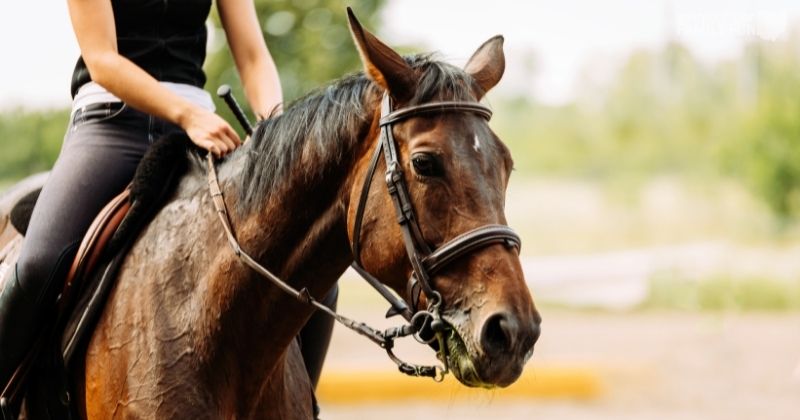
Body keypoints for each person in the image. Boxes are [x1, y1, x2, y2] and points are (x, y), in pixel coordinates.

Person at [0, 0, 333, 394]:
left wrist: (276, 135)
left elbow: (253, 56)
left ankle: (302, 402)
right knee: (40, 263)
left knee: (314, 265)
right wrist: (186, 115)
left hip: (201, 129)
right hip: (112, 122)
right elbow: (103, 59)